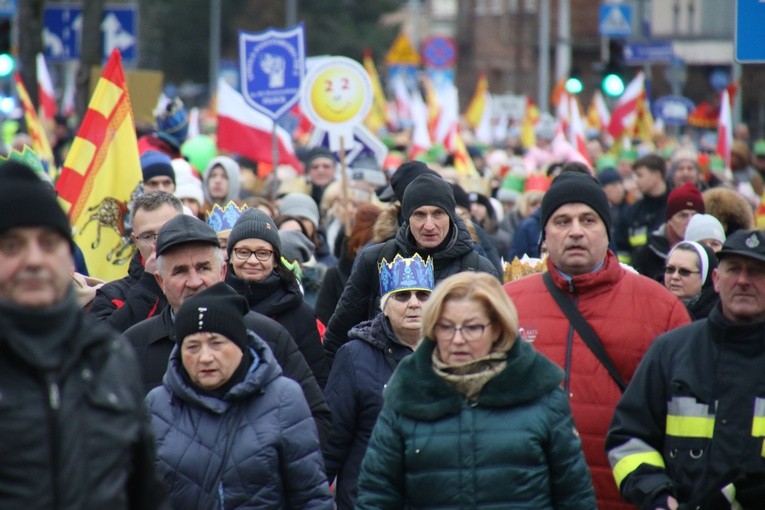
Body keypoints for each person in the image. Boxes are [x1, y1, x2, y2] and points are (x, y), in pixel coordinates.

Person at [503, 172, 691, 510]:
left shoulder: (663, 308)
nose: (576, 230)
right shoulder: (506, 304)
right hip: (528, 495)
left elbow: (687, 420)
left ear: (607, 230)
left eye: (588, 219)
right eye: (562, 221)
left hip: (625, 497)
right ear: (544, 234)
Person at [0, 161, 168, 508]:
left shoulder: (108, 357)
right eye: (12, 246)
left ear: (68, 257)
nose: (34, 260)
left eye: (48, 243)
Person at [356, 272, 596, 508]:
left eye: (472, 328)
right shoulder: (407, 393)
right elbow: (377, 496)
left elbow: (574, 496)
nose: (458, 339)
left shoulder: (542, 395)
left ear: (497, 330)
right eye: (447, 327)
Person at [121, 214, 332, 446]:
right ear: (160, 281)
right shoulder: (133, 346)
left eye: (203, 268)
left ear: (222, 273)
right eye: (180, 271)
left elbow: (315, 422)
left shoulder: (269, 336)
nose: (194, 281)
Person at [606, 229, 765, 510]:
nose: (742, 281)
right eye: (733, 270)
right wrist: (656, 496)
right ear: (715, 280)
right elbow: (628, 439)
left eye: (755, 272)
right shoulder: (670, 351)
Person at [146, 283, 333, 509]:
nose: (205, 357)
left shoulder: (284, 398)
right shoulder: (157, 405)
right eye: (192, 346)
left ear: (240, 344)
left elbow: (311, 497)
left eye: (216, 343)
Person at [324, 172, 498, 363]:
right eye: (419, 214)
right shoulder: (376, 260)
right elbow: (337, 337)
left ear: (450, 215)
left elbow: (497, 343)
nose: (429, 225)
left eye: (438, 213)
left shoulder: (478, 269)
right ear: (407, 217)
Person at [323, 254, 434, 509]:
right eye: (403, 295)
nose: (414, 303)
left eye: (422, 295)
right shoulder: (353, 356)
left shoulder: (450, 354)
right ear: (385, 306)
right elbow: (331, 445)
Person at [225, 208, 329, 388]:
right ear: (231, 257)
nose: (252, 260)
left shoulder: (298, 312)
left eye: (262, 253)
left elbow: (317, 379)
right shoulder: (213, 303)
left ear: (275, 259)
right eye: (243, 251)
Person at [90, 191, 183, 333]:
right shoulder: (112, 295)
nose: (158, 243)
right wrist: (150, 283)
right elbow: (104, 345)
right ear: (135, 241)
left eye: (167, 231)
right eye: (147, 236)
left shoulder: (204, 281)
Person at [633, 181, 706, 281]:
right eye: (682, 215)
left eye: (695, 215)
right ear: (669, 219)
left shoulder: (708, 251)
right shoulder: (647, 255)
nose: (689, 221)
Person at [615, 154, 669, 264]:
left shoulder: (674, 207)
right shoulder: (632, 212)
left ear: (656, 175)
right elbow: (622, 250)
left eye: (640, 175)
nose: (636, 181)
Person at [663, 241, 719, 320]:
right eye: (670, 269)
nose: (675, 276)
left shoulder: (718, 315)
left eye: (684, 272)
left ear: (705, 276)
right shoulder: (655, 305)